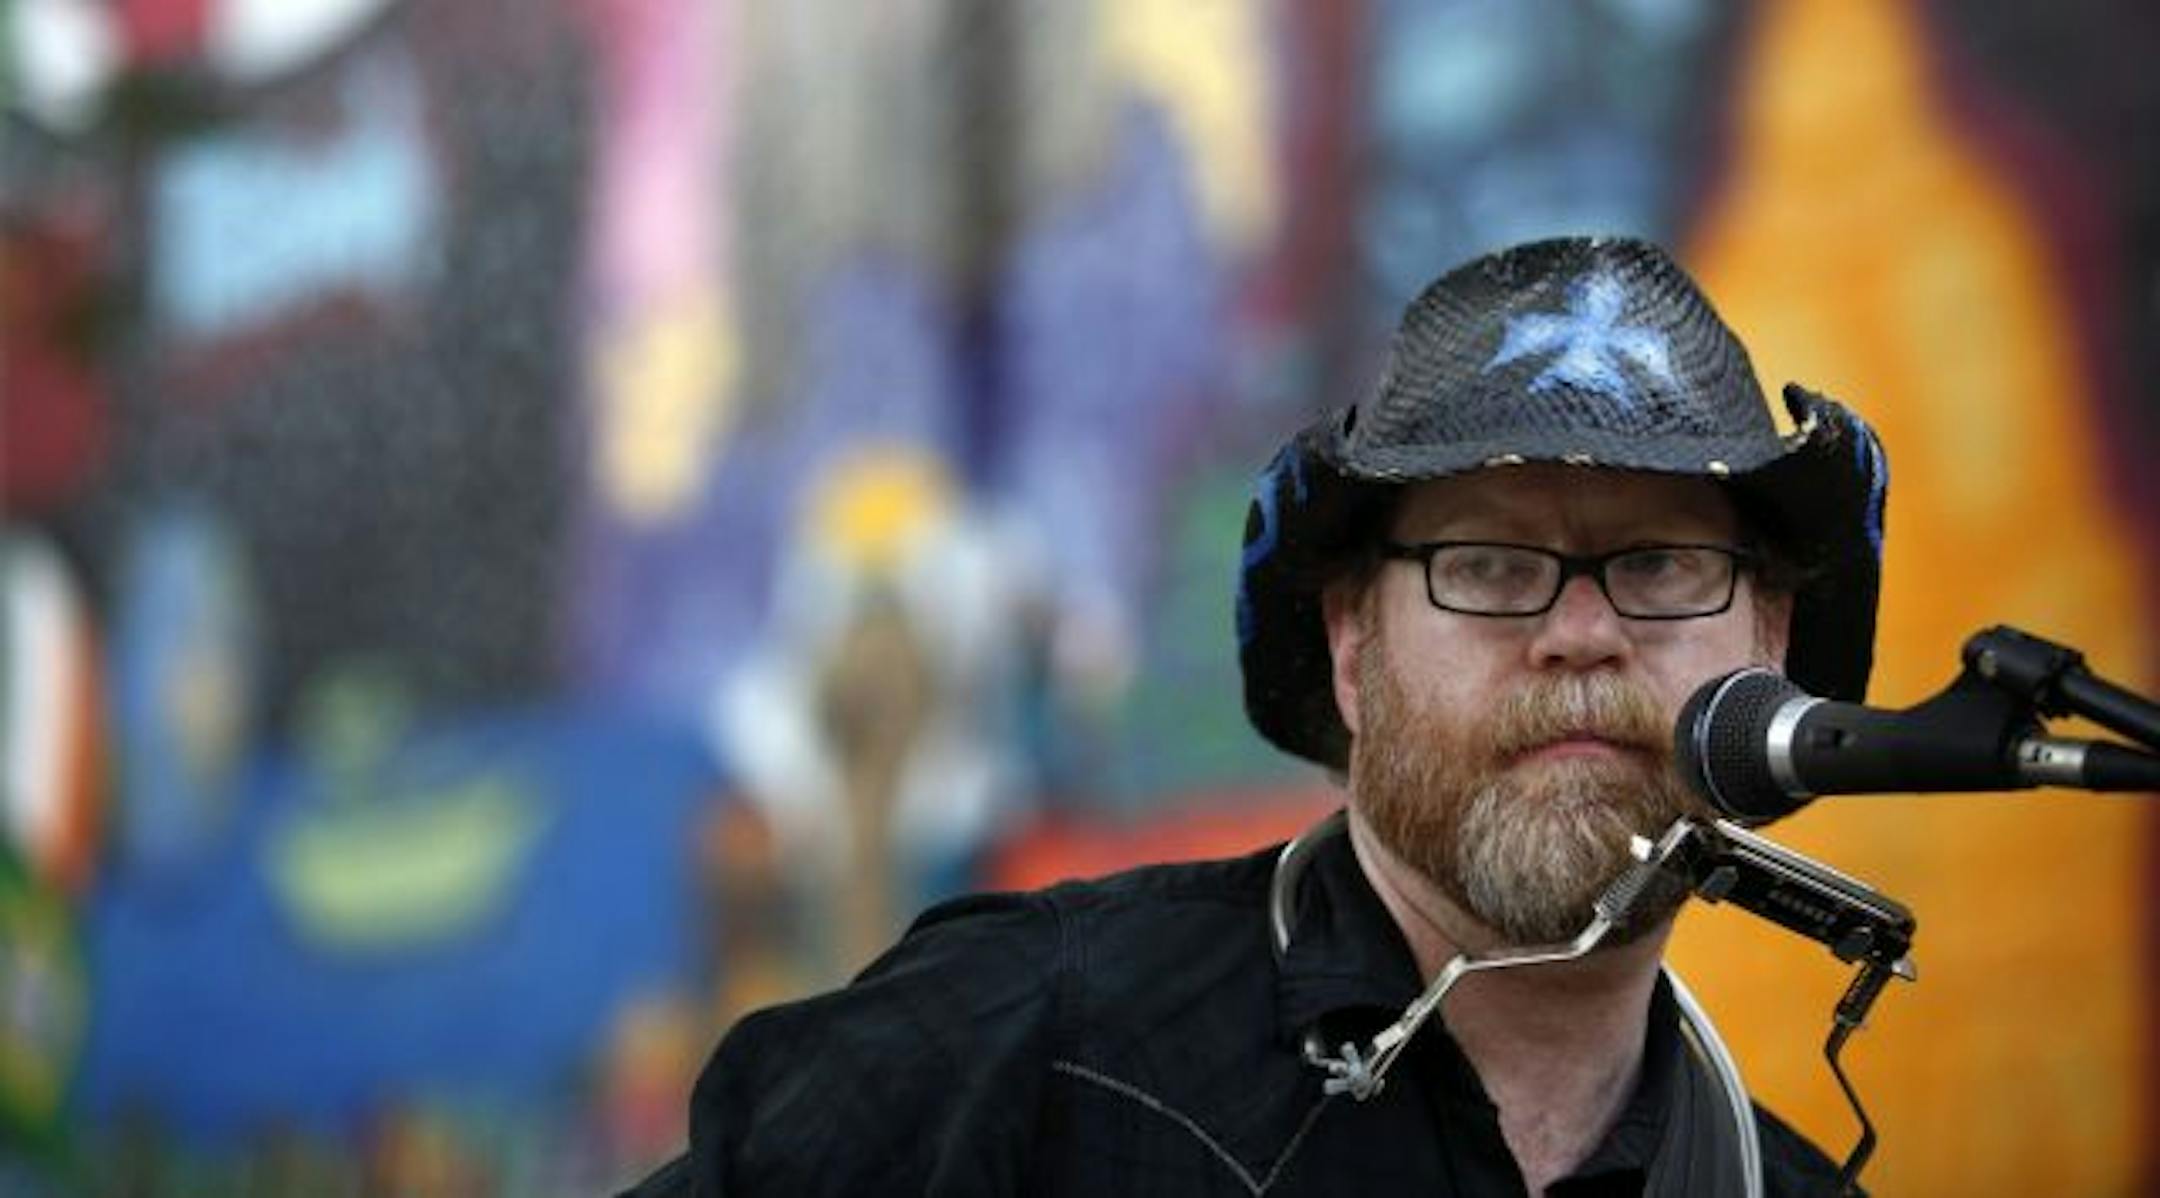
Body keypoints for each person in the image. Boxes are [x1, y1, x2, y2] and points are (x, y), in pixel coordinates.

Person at [624, 236, 1889, 1196]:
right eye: (1492, 565)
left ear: (1767, 643)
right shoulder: (1026, 1042)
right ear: (1353, 648)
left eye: (1663, 564)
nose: (1580, 629)